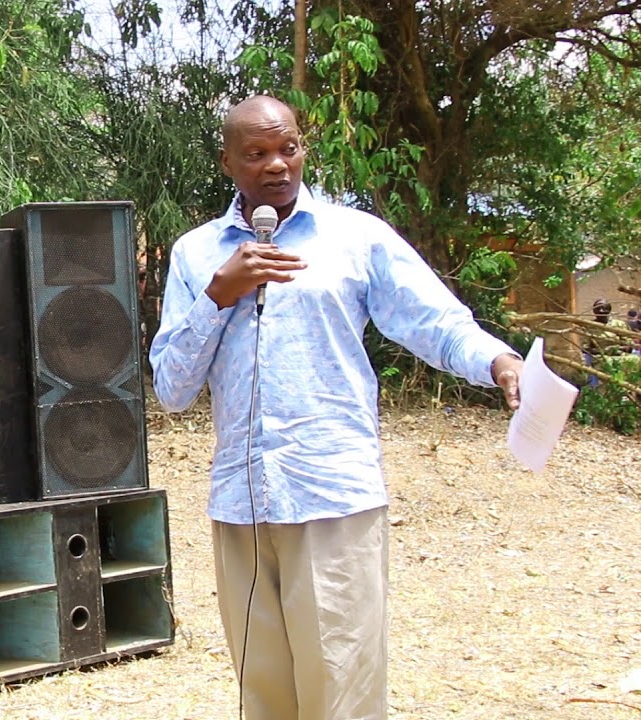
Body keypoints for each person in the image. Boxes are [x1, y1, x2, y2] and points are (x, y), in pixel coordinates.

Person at [148, 95, 524, 720]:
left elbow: (435, 321)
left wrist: (498, 361)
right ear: (227, 163)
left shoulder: (356, 236)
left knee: (342, 692)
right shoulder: (195, 254)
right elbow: (172, 389)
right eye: (256, 153)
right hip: (242, 504)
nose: (277, 164)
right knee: (264, 695)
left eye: (288, 148)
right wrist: (219, 294)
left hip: (332, 494)